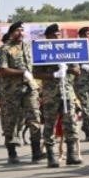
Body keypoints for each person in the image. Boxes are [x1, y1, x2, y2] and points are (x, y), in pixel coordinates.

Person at [34, 24, 82, 168]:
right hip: (51, 94)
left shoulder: (67, 49)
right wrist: (54, 74)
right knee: (50, 124)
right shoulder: (42, 50)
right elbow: (36, 73)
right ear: (47, 36)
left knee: (70, 122)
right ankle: (51, 156)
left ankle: (71, 154)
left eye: (59, 34)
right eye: (54, 34)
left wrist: (68, 69)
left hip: (67, 92)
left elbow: (77, 70)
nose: (57, 36)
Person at [0, 22, 42, 164]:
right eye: (18, 30)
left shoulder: (29, 47)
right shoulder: (5, 49)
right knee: (11, 121)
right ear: (11, 33)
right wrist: (22, 72)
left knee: (34, 118)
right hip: (12, 90)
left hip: (30, 88)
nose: (21, 33)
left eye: (22, 30)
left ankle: (36, 152)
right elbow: (3, 70)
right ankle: (12, 153)